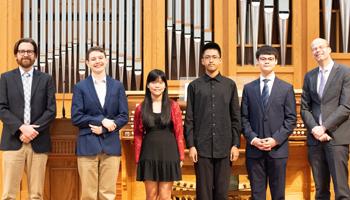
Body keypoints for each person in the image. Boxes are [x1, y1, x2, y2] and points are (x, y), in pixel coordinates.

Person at [0, 38, 56, 199]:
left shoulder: (46, 79)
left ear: (35, 55)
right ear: (16, 55)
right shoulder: (5, 78)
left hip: (38, 141)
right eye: (22, 51)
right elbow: (1, 108)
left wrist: (32, 130)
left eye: (29, 51)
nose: (26, 54)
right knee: (9, 194)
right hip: (12, 140)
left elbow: (51, 110)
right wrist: (21, 128)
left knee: (36, 194)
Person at [184, 42, 241, 200]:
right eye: (207, 57)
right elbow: (189, 118)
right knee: (203, 193)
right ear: (202, 60)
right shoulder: (194, 86)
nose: (211, 60)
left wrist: (235, 144)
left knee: (222, 193)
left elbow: (236, 117)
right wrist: (191, 145)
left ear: (220, 60)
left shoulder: (230, 85)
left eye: (214, 57)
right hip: (201, 149)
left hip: (225, 148)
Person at [71, 46, 129, 200]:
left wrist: (105, 129)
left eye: (100, 58)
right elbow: (76, 117)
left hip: (111, 145)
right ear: (88, 63)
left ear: (106, 60)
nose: (97, 61)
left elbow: (123, 116)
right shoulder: (80, 87)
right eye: (93, 59)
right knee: (88, 194)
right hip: (87, 145)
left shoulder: (117, 86)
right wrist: (101, 120)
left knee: (108, 194)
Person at [241, 45, 297, 199]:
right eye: (263, 59)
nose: (266, 61)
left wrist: (275, 140)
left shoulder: (286, 88)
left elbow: (291, 119)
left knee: (278, 194)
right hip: (254, 151)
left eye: (270, 59)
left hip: (277, 150)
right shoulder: (249, 89)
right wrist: (253, 139)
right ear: (257, 61)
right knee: (257, 194)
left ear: (276, 62)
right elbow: (243, 118)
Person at [301, 38, 350, 200]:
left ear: (329, 49)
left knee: (341, 191)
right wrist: (315, 129)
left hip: (336, 138)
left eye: (321, 47)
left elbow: (346, 107)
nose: (317, 50)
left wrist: (324, 127)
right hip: (315, 140)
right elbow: (305, 107)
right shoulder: (310, 76)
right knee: (320, 190)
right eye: (314, 48)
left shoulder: (345, 72)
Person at [134, 69, 185, 200]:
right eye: (154, 82)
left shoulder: (173, 106)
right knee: (151, 196)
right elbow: (138, 135)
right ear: (147, 85)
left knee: (165, 195)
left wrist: (181, 156)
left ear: (165, 85)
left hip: (169, 153)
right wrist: (137, 158)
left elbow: (179, 133)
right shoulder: (141, 107)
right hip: (148, 154)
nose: (157, 85)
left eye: (161, 82)